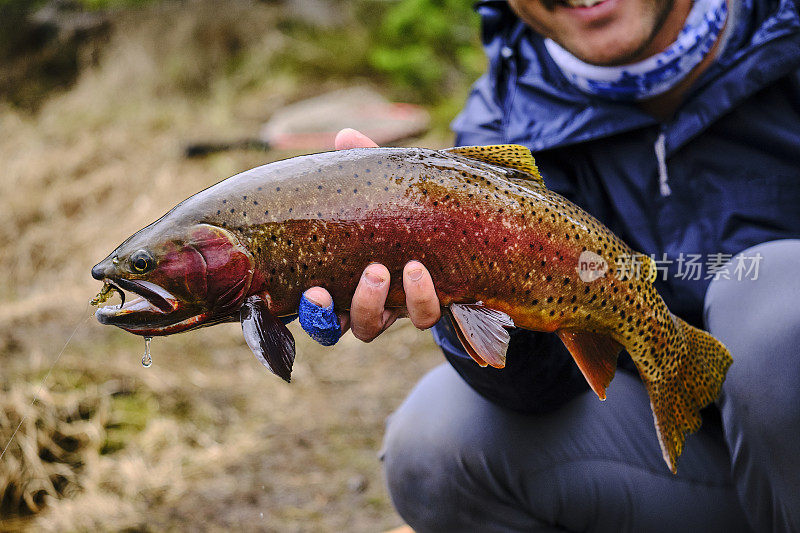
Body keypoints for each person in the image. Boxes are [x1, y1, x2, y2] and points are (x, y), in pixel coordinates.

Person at [295, 0, 800, 530]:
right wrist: (479, 291)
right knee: (433, 441)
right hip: (686, 463)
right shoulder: (498, 118)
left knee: (772, 299)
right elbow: (536, 391)